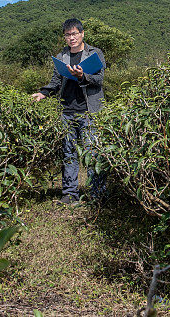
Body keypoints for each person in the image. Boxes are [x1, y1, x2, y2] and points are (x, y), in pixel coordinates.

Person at [31, 18, 106, 205]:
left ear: (82, 34)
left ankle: (96, 195)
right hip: (67, 111)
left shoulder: (94, 53)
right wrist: (43, 93)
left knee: (92, 153)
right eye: (67, 35)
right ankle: (69, 194)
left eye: (74, 34)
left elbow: (99, 79)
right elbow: (56, 81)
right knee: (68, 152)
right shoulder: (62, 56)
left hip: (89, 111)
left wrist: (83, 75)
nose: (71, 38)